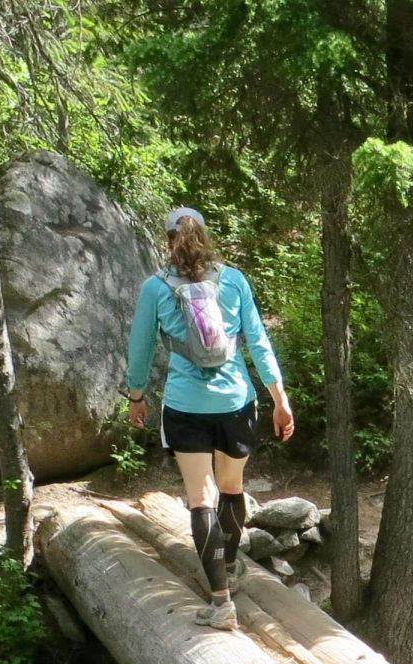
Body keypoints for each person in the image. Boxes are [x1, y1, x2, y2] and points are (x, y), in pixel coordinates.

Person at [124, 205, 294, 630]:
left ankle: (221, 603)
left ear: (169, 240)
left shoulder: (156, 288)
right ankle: (231, 564)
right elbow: (258, 340)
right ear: (205, 236)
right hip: (237, 402)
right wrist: (279, 397)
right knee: (232, 488)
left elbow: (141, 348)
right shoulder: (233, 280)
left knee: (201, 498)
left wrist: (136, 396)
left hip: (186, 407)